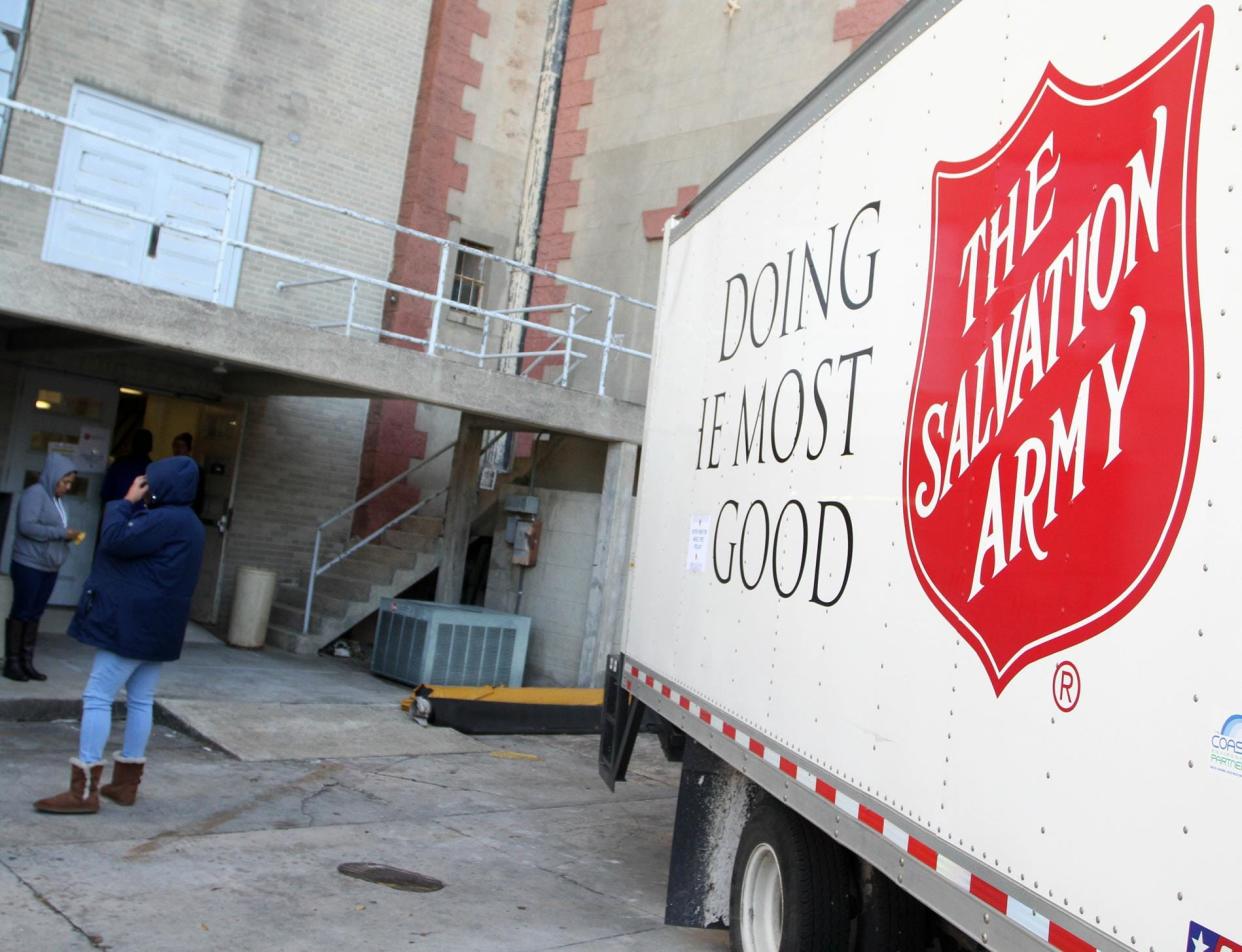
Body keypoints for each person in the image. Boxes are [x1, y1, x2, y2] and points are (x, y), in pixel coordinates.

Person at [34, 456, 204, 814]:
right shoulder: (190, 523)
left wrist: (126, 500)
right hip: (159, 628)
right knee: (141, 700)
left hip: (131, 625)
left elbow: (113, 539)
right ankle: (125, 784)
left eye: (152, 482)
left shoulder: (163, 519)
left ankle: (83, 792)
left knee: (97, 696)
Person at [4, 454, 80, 682]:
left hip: (48, 565)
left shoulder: (57, 500)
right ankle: (12, 662)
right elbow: (27, 526)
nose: (67, 487)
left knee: (36, 612)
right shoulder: (35, 494)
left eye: (70, 484)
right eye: (64, 482)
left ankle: (27, 661)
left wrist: (68, 537)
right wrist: (60, 533)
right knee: (23, 610)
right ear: (53, 477)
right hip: (29, 563)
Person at [101, 429, 153, 505]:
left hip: (119, 511)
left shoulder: (119, 464)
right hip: (143, 514)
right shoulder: (154, 469)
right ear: (151, 447)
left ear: (133, 444)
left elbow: (106, 493)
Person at [170, 431, 206, 518]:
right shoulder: (169, 467)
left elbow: (198, 498)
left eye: (182, 446)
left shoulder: (196, 470)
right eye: (175, 446)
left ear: (188, 449)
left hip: (187, 513)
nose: (178, 449)